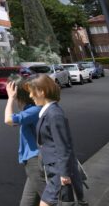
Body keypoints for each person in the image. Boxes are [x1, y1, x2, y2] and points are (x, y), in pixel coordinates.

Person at [27, 74, 86, 206]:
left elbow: (63, 146)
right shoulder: (48, 112)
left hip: (59, 173)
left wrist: (64, 174)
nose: (30, 96)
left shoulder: (54, 114)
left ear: (42, 91)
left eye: (32, 92)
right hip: (54, 171)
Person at [4, 79, 45, 206]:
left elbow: (8, 120)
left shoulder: (35, 110)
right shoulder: (31, 110)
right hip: (33, 162)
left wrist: (10, 98)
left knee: (49, 199)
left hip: (36, 161)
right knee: (27, 202)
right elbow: (14, 121)